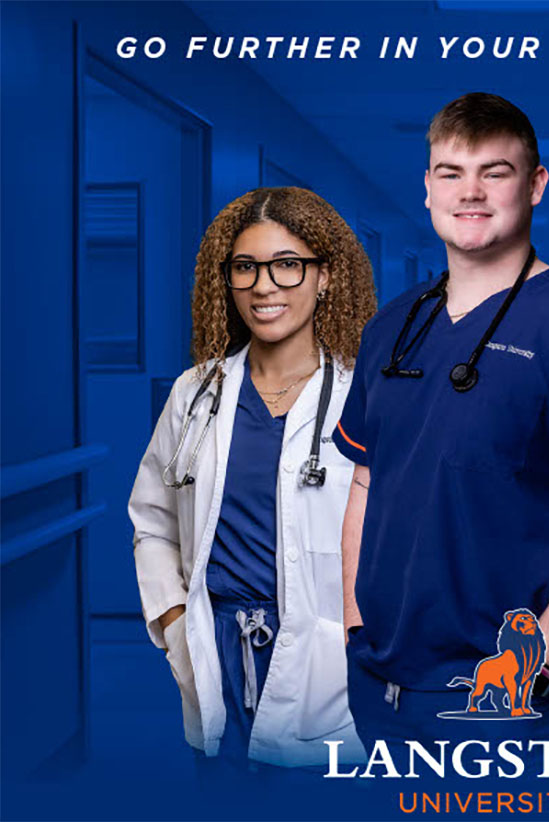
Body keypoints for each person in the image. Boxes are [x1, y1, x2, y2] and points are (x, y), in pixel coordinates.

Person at [332, 93, 549, 749]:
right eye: (451, 173)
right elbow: (368, 483)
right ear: (427, 187)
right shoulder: (391, 327)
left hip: (515, 703)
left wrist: (534, 676)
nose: (470, 192)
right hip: (383, 689)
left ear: (535, 185)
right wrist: (354, 630)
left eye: (496, 172)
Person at [129, 186, 375, 770]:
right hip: (213, 650)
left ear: (326, 278)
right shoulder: (196, 392)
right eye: (246, 267)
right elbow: (153, 520)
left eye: (288, 265)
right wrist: (175, 623)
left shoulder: (365, 396)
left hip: (328, 663)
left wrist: (363, 642)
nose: (264, 286)